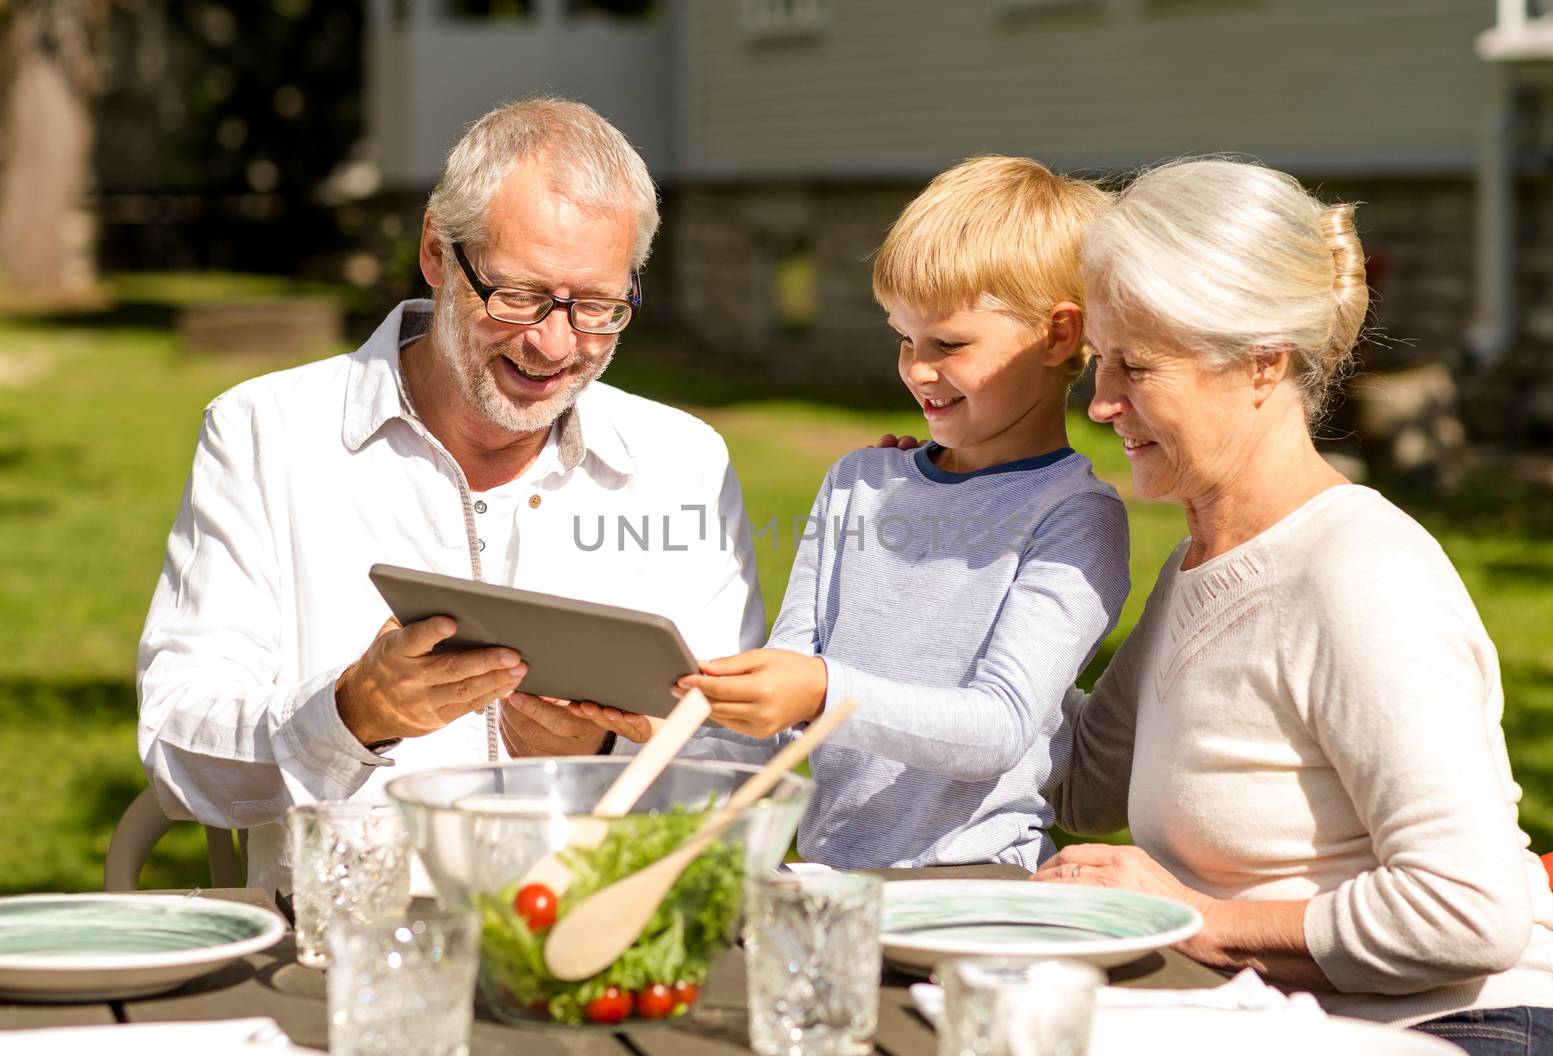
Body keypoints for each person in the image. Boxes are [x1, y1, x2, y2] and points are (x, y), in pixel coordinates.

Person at [136, 97, 763, 895]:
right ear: (437, 250)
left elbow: (748, 767)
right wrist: (346, 717)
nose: (555, 344)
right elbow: (177, 752)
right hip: (361, 947)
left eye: (598, 307)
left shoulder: (682, 462)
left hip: (601, 950)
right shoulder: (266, 434)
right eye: (520, 296)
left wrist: (607, 756)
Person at [1034, 158, 1553, 1052]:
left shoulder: (1357, 575)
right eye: (1101, 363)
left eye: (1136, 367)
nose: (1100, 403)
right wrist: (951, 581)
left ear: (1262, 362)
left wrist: (1201, 920)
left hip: (1467, 1030)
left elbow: (1468, 910)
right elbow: (1086, 784)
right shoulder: (1205, 561)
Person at [582, 156, 1131, 870]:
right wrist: (673, 722)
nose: (916, 369)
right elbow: (787, 704)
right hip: (829, 871)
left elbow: (998, 729)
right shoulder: (857, 485)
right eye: (903, 338)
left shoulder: (1075, 518)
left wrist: (821, 690)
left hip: (975, 879)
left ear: (1059, 336)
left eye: (948, 344)